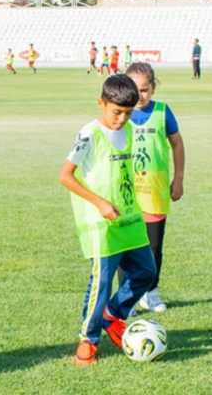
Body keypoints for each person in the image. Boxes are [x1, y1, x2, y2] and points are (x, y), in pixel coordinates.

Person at [58, 75, 157, 366]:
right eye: (116, 112)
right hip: (101, 224)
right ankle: (88, 340)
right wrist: (100, 202)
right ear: (101, 103)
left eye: (128, 113)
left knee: (146, 273)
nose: (122, 119)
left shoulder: (130, 130)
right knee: (100, 283)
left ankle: (112, 315)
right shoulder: (90, 133)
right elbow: (65, 175)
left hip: (128, 217)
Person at [119, 63, 185, 313]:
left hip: (155, 191)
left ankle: (151, 292)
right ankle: (128, 296)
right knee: (125, 247)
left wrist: (178, 179)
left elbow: (177, 144)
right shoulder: (121, 113)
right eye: (135, 90)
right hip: (126, 191)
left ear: (153, 88)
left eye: (145, 90)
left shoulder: (162, 111)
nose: (140, 96)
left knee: (153, 247)